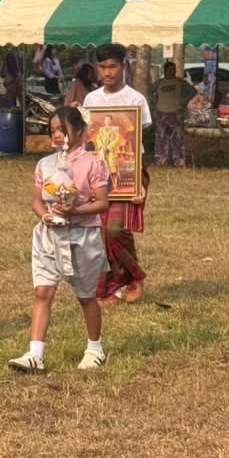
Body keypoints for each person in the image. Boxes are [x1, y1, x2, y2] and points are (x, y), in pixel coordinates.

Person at [8, 107, 110, 374]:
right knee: (43, 291)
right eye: (52, 130)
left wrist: (75, 211)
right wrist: (45, 216)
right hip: (49, 236)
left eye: (62, 130)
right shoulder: (45, 164)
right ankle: (35, 354)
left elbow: (102, 203)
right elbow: (37, 200)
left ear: (78, 130)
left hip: (82, 237)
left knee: (86, 296)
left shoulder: (92, 163)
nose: (56, 135)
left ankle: (95, 349)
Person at [83, 43, 152, 305]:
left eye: (112, 67)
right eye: (102, 67)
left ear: (124, 67)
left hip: (127, 172)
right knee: (100, 231)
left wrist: (139, 184)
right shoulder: (91, 100)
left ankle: (134, 276)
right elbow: (88, 141)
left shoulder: (136, 100)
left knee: (115, 229)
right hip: (98, 174)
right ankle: (114, 287)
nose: (107, 73)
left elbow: (136, 142)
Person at [148, 60, 192, 168]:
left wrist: (184, 101)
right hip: (161, 113)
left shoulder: (180, 82)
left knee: (177, 138)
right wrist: (154, 102)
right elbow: (149, 91)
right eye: (171, 70)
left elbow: (192, 91)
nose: (173, 72)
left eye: (174, 70)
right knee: (161, 138)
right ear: (165, 70)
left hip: (176, 113)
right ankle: (161, 161)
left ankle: (179, 161)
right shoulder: (159, 83)